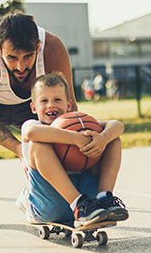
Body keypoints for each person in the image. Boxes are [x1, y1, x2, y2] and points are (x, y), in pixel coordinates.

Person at [0, 13, 78, 228]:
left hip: (32, 99)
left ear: (38, 47)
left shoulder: (53, 49)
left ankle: (33, 196)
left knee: (61, 133)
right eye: (12, 58)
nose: (20, 66)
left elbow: (68, 107)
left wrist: (74, 137)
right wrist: (21, 150)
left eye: (28, 56)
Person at [17, 72, 128, 226]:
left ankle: (104, 198)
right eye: (44, 101)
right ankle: (74, 204)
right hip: (50, 203)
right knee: (38, 144)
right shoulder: (33, 125)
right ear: (33, 107)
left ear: (68, 105)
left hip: (91, 202)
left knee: (113, 140)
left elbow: (117, 125)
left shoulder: (78, 123)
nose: (51, 105)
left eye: (57, 99)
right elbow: (31, 133)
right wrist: (76, 139)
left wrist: (102, 139)